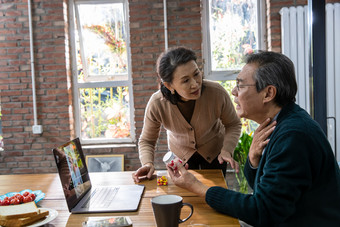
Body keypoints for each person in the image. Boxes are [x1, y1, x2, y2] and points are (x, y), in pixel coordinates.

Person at [167, 51, 340, 226]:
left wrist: (197, 187)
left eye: (240, 86)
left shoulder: (293, 136)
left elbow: (263, 211)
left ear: (268, 93)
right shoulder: (280, 123)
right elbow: (265, 192)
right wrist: (253, 160)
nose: (233, 92)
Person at [132, 46, 242, 183]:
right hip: (180, 159)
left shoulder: (217, 93)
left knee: (215, 196)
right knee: (186, 199)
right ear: (169, 85)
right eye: (185, 80)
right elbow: (147, 140)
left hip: (216, 155)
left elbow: (233, 124)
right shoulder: (157, 103)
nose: (195, 84)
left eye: (196, 74)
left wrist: (227, 150)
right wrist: (148, 163)